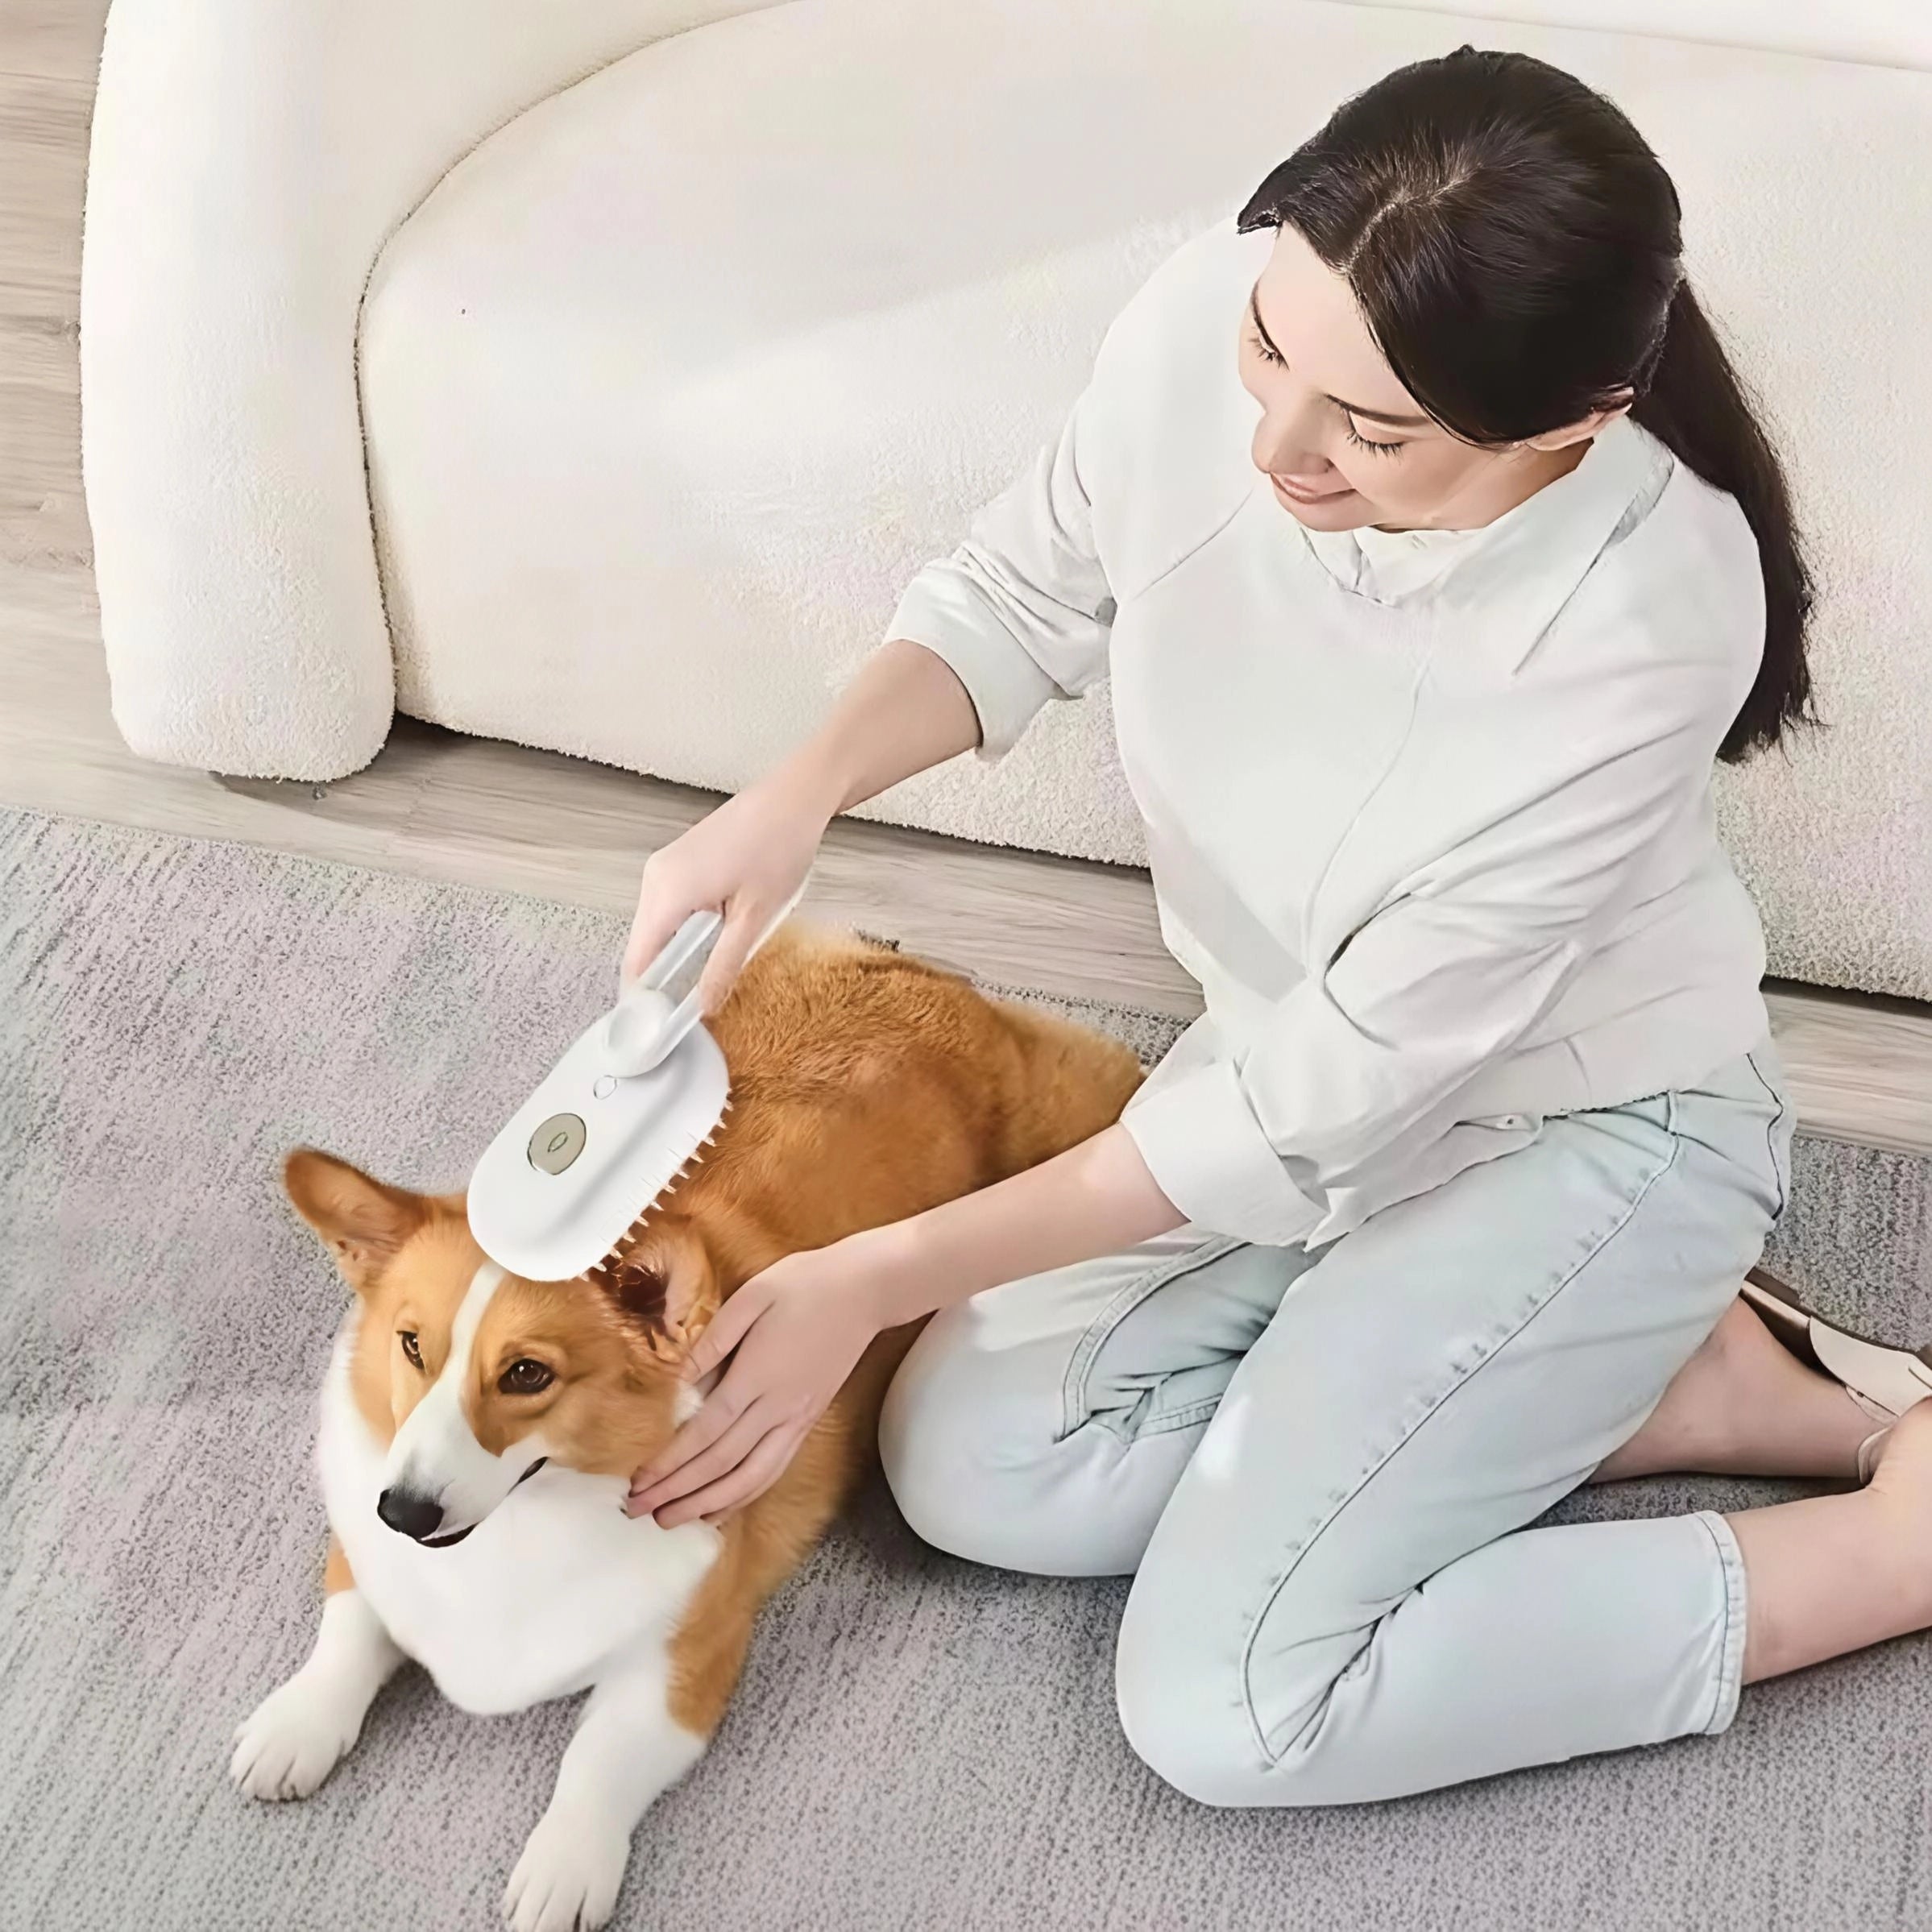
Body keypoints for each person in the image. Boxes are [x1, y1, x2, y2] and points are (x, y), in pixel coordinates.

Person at [619, 48, 1932, 1805]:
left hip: (1580, 1130)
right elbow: (1017, 592)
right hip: (1292, 1070)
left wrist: (862, 1276)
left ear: (1572, 421)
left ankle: (1888, 1545)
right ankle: (1660, 1386)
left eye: (1371, 434)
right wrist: (789, 799)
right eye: (1266, 350)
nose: (1273, 445)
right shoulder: (1220, 314)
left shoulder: (1643, 614)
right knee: (972, 1465)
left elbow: (1309, 1104)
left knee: (1234, 1706)